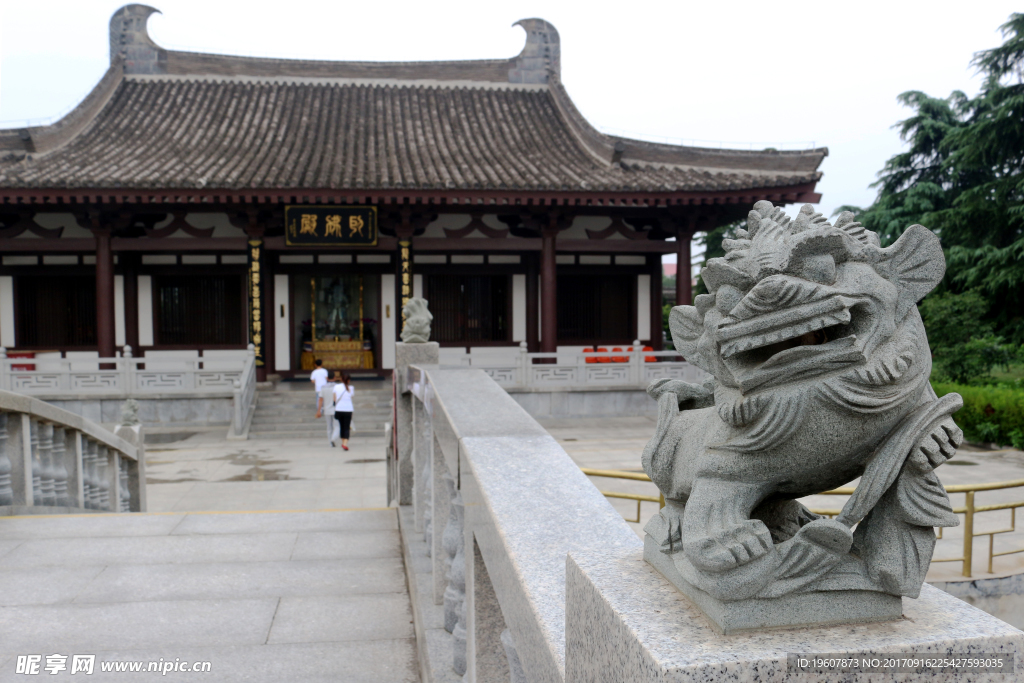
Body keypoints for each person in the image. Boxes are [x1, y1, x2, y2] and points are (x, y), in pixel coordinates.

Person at [315, 371, 340, 446]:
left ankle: (330, 442)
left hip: (327, 409)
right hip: (336, 409)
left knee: (329, 427)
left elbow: (320, 399)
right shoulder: (338, 387)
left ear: (327, 378)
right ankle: (334, 438)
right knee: (337, 426)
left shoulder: (323, 388)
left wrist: (319, 410)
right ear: (335, 378)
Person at [332, 372, 355, 451]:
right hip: (348, 410)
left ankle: (343, 442)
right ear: (348, 380)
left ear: (341, 379)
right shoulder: (351, 388)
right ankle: (345, 444)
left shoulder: (336, 386)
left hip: (338, 409)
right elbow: (351, 397)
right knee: (347, 427)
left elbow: (334, 399)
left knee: (341, 426)